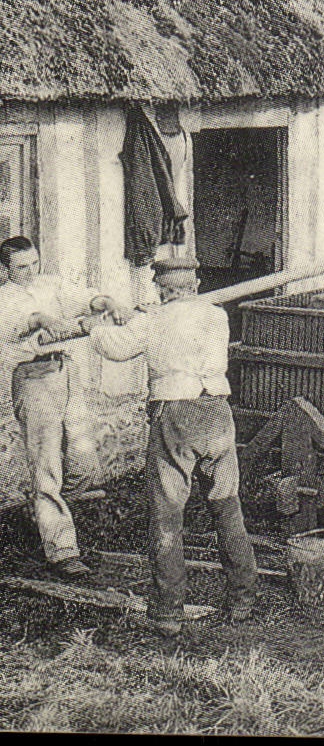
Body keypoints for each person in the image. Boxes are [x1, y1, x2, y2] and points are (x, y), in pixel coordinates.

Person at [88, 256, 256, 635]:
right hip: (216, 410)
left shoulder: (152, 320)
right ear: (194, 285)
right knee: (227, 506)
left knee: (167, 515)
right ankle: (242, 600)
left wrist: (93, 327)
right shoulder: (216, 315)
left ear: (161, 289)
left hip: (176, 415)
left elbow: (115, 348)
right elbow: (176, 328)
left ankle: (168, 614)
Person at [0, 235, 120, 578]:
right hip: (34, 379)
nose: (30, 271)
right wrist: (42, 320)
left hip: (66, 372)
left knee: (85, 464)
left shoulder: (50, 284)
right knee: (47, 466)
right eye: (21, 267)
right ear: (5, 269)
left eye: (34, 263)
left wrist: (102, 301)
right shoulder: (4, 298)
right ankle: (62, 550)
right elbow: (19, 325)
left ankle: (44, 511)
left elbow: (81, 299)